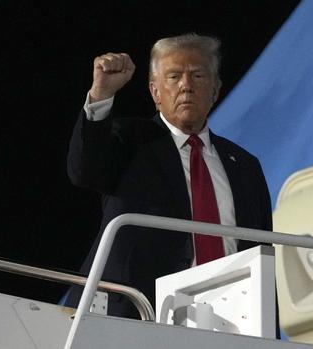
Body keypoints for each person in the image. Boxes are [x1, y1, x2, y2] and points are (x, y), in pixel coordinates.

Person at [64, 33, 273, 321]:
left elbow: (262, 253)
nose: (186, 85)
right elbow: (83, 170)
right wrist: (101, 95)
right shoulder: (129, 142)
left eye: (198, 75)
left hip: (230, 319)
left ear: (215, 90)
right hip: (139, 315)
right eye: (174, 76)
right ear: (155, 92)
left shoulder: (245, 166)